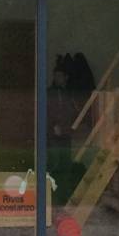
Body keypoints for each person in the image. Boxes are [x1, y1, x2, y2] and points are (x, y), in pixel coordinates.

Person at [47, 63, 80, 202]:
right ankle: (52, 196)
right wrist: (53, 125)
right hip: (53, 135)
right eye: (55, 76)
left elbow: (74, 112)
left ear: (66, 77)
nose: (57, 78)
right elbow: (47, 111)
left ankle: (64, 196)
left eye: (60, 76)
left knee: (65, 165)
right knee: (55, 164)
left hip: (66, 134)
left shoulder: (69, 93)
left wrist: (73, 127)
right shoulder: (50, 93)